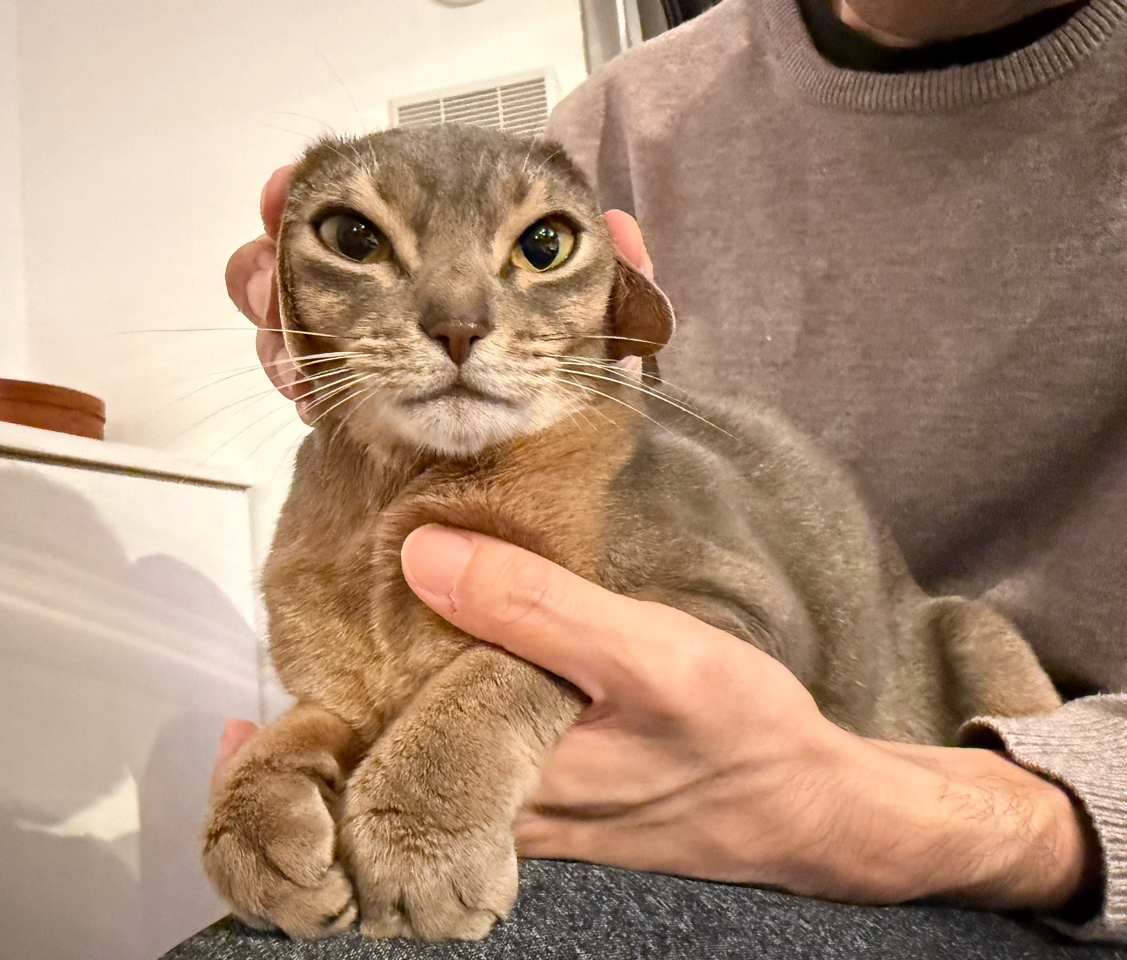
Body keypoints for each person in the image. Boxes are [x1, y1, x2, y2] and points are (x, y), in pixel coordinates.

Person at [170, 0, 1127, 955]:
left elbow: (735, 624)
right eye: (355, 238)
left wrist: (1008, 822)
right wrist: (301, 755)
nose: (458, 320)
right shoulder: (616, 115)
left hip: (1001, 794)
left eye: (540, 248)